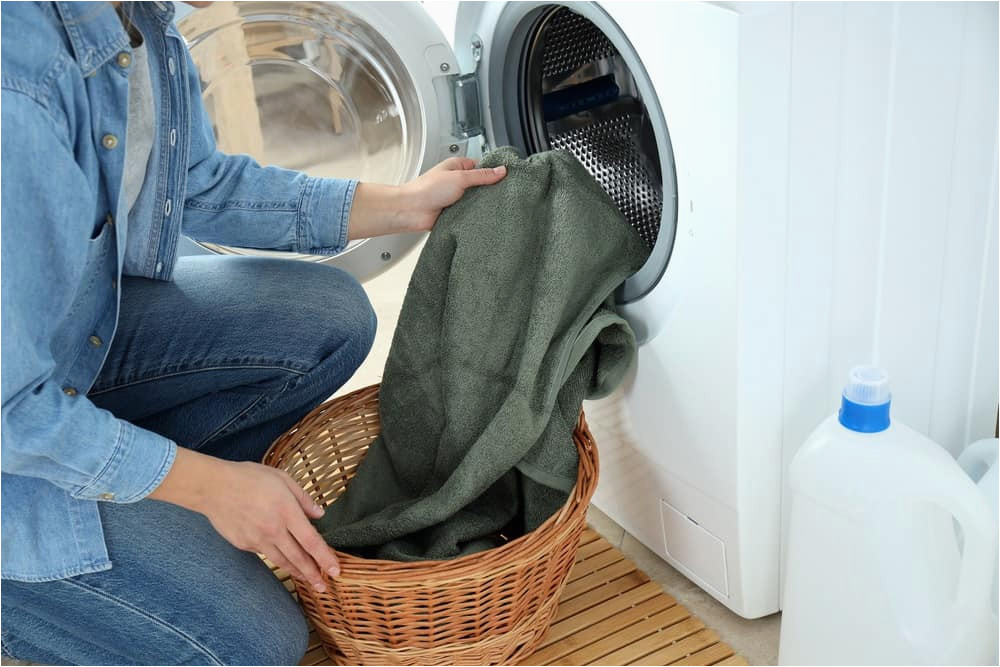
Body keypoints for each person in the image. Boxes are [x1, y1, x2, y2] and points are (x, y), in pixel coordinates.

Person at [0, 2, 506, 664]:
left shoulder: (137, 15)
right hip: (14, 422)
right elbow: (11, 410)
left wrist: (402, 203)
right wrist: (213, 486)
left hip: (62, 348)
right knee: (256, 642)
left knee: (326, 317)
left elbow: (199, 186)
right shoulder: (19, 89)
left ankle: (143, 516)